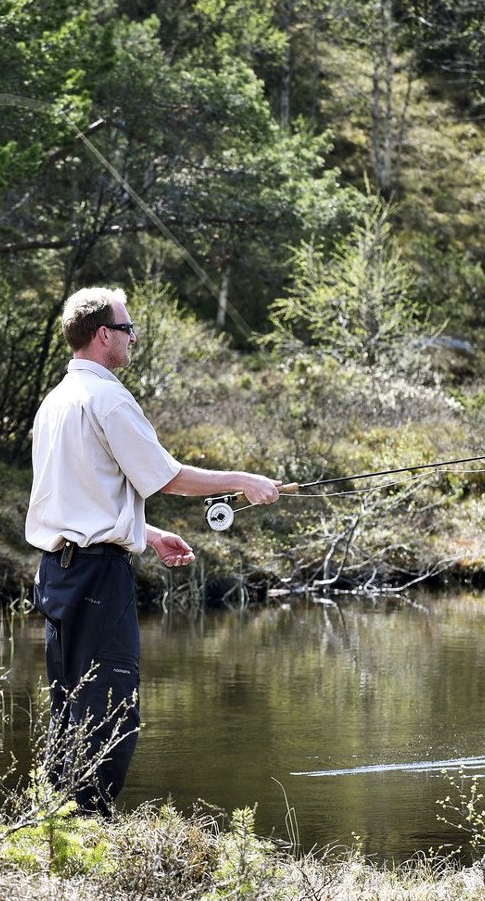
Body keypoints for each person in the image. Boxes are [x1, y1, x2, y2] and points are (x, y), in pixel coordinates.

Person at [27, 286, 282, 815]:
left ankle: (56, 828)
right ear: (103, 336)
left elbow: (80, 497)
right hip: (98, 580)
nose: (133, 339)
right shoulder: (107, 397)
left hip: (57, 575)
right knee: (111, 707)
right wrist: (244, 480)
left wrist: (146, 534)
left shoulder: (56, 401)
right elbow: (167, 477)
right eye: (127, 329)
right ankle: (89, 828)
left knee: (71, 705)